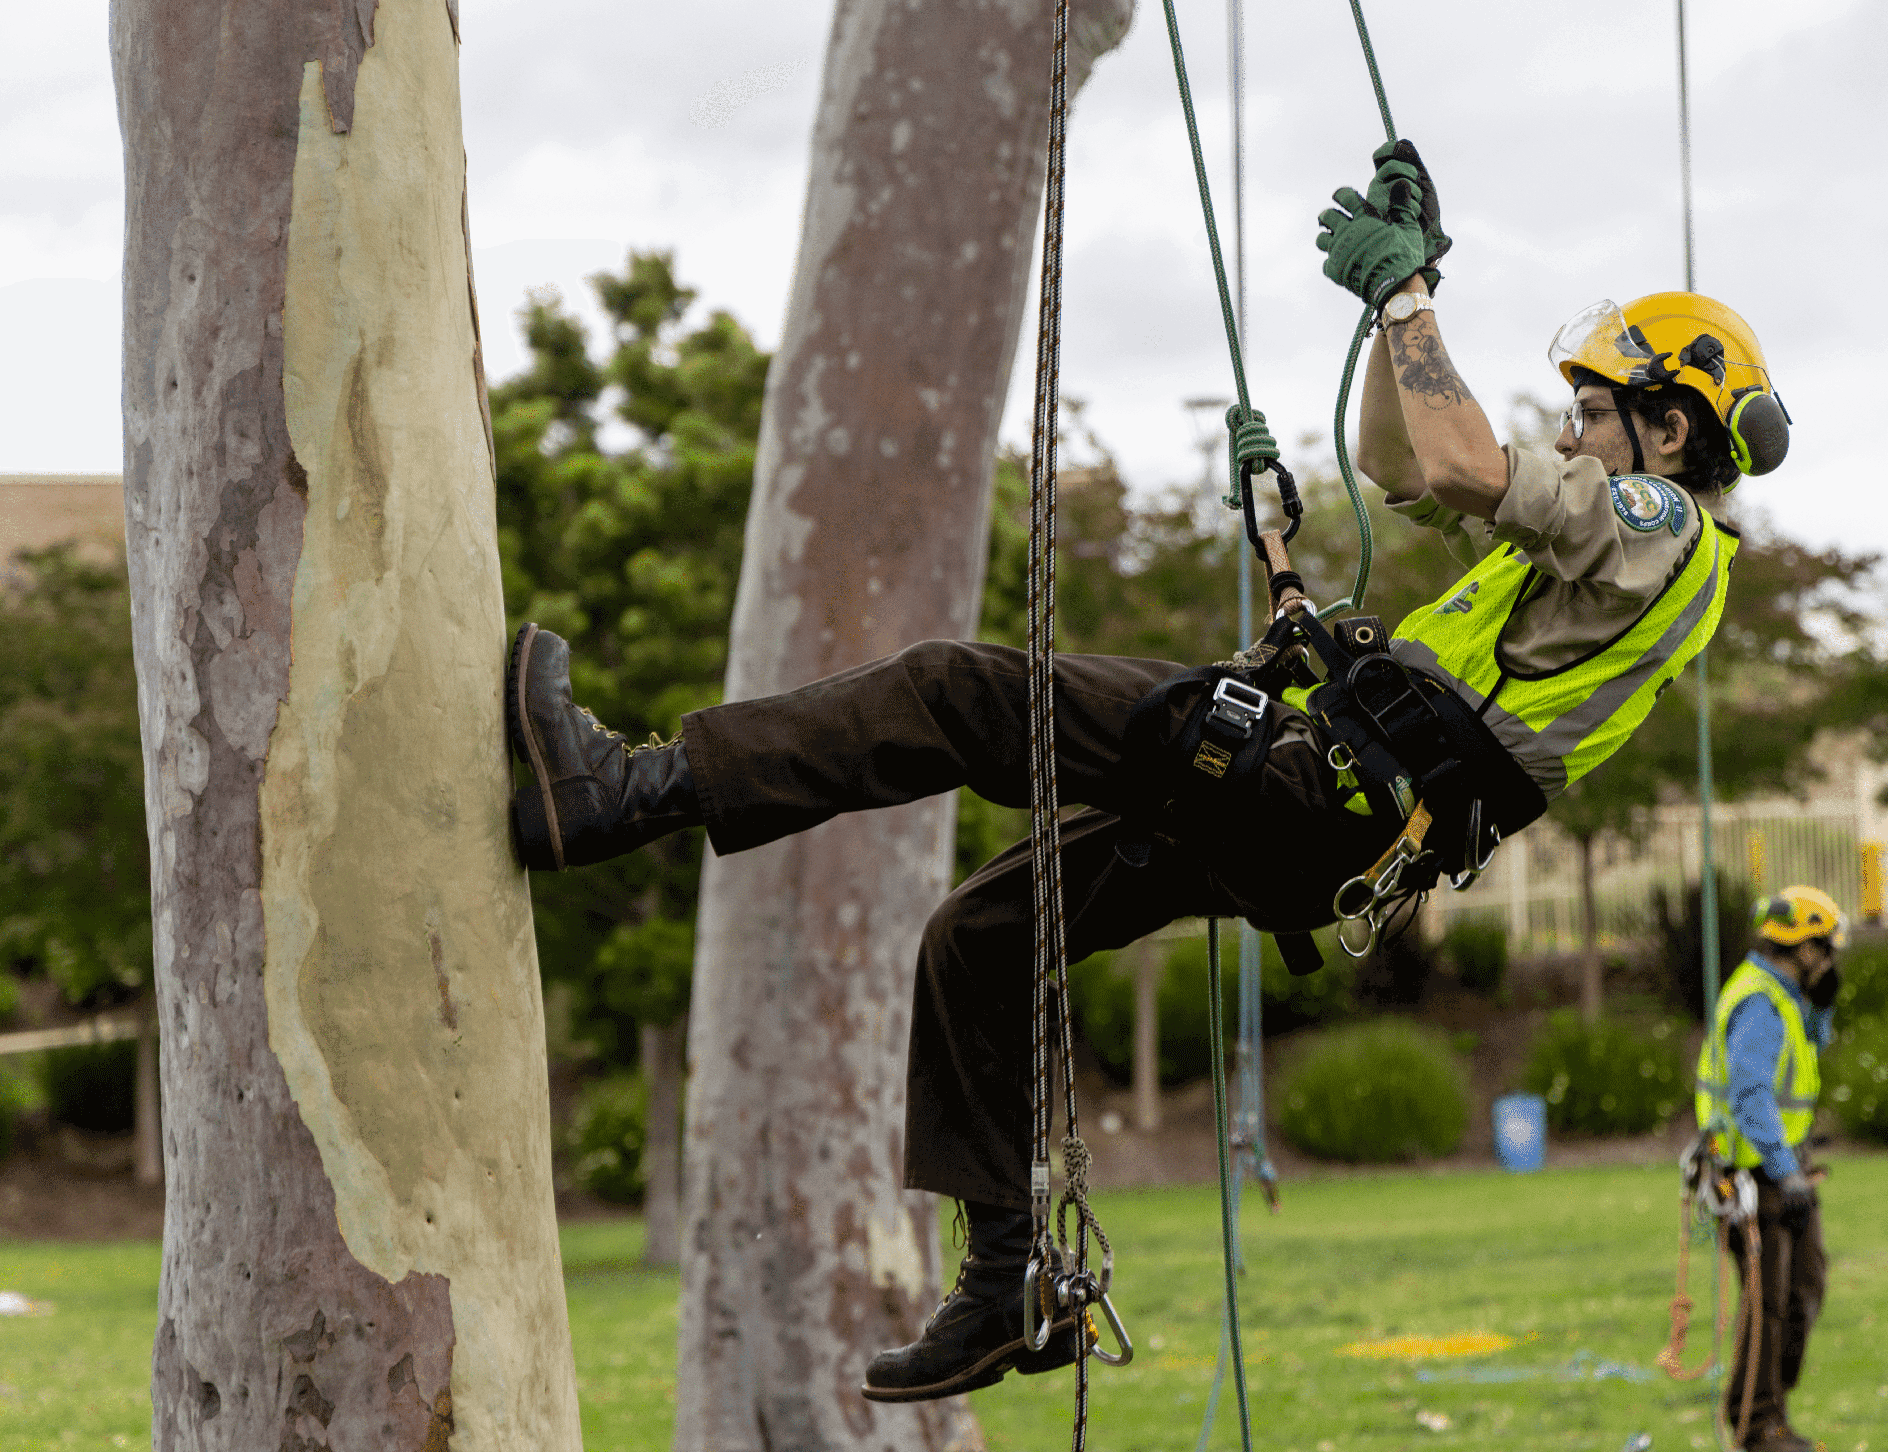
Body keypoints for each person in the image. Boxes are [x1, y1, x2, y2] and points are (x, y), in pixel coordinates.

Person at [503, 140, 1791, 1403]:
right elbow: (1404, 464)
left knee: (958, 690)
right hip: (1319, 811)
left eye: (1593, 410)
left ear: (1667, 429)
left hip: (1319, 793)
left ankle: (629, 792)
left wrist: (1410, 297)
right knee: (978, 936)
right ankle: (1006, 1283)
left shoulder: (1657, 527)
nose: (1570, 430)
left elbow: (1461, 462)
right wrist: (1382, 325)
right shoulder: (1589, 555)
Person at [1694, 887, 1843, 1452]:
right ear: (1803, 949)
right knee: (1771, 1304)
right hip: (1757, 1179)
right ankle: (1758, 1426)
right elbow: (1752, 1093)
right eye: (1826, 949)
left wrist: (1823, 1006)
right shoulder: (1759, 1003)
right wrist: (1785, 1171)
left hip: (1778, 1174)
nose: (1830, 960)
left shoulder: (1782, 996)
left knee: (1802, 1292)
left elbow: (1804, 1057)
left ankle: (1766, 1414)